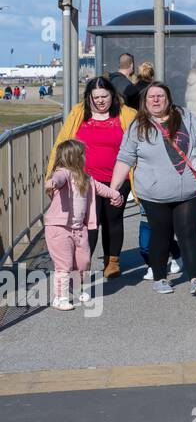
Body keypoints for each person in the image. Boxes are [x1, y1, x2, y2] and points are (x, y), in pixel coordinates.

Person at [110, 81, 196, 295]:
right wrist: (114, 189)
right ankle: (160, 278)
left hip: (189, 189)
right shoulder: (138, 125)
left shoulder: (186, 117)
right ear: (144, 101)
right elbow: (125, 158)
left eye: (160, 95)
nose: (155, 99)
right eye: (151, 96)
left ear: (169, 98)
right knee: (161, 235)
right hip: (154, 193)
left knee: (188, 233)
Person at [47, 77, 141, 279]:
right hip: (85, 180)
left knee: (113, 218)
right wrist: (52, 174)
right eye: (95, 97)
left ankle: (112, 261)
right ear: (89, 98)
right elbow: (62, 143)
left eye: (104, 96)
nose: (100, 101)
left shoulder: (128, 115)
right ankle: (83, 264)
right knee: (89, 221)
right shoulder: (78, 114)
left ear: (113, 96)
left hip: (118, 178)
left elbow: (139, 146)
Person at [44, 139, 124, 310]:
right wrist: (52, 182)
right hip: (59, 228)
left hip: (79, 228)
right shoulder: (63, 173)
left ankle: (75, 288)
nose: (85, 158)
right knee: (64, 264)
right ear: (73, 158)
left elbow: (101, 188)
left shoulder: (86, 178)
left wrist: (115, 194)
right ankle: (60, 297)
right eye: (83, 155)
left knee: (83, 262)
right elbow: (57, 178)